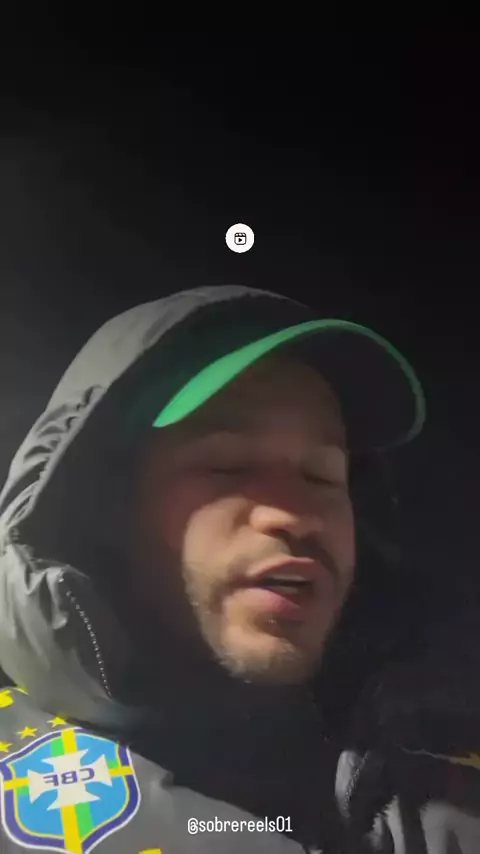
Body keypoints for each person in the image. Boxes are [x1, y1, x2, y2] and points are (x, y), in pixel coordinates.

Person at [0, 284, 478, 854]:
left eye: (324, 475)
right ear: (101, 505)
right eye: (226, 467)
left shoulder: (441, 752)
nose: (295, 515)